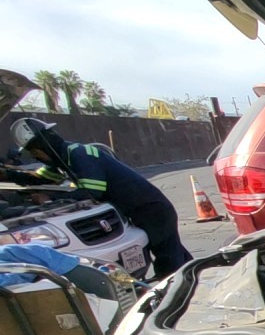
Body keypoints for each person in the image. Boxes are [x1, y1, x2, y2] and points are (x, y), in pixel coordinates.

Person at [10, 118, 193, 278]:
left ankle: (179, 296)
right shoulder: (61, 161)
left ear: (44, 146)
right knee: (176, 254)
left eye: (33, 151)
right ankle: (199, 278)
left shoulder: (80, 154)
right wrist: (7, 174)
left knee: (169, 260)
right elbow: (36, 178)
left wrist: (47, 197)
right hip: (137, 212)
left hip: (152, 210)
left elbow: (91, 192)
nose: (34, 156)